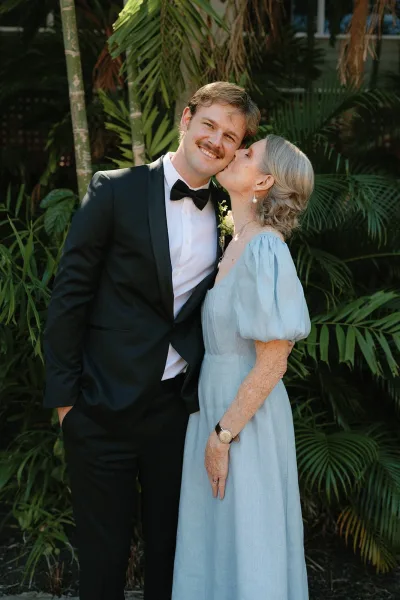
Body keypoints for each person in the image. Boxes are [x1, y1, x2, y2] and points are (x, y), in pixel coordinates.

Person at [43, 82, 267, 600]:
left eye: (230, 136)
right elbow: (69, 297)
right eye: (209, 124)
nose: (216, 140)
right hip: (99, 410)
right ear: (186, 118)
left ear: (236, 149)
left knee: (174, 559)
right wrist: (65, 405)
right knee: (103, 563)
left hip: (174, 415)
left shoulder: (228, 215)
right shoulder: (116, 189)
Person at [172, 134, 314, 600]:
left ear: (265, 181)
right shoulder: (233, 241)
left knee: (250, 542)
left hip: (243, 421)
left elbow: (274, 359)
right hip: (213, 411)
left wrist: (224, 435)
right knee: (215, 542)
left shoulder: (265, 250)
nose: (236, 152)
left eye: (249, 153)